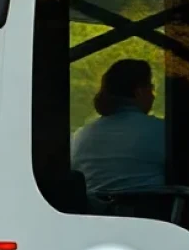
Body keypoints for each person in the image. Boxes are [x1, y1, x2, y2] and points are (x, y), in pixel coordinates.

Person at [70, 59, 166, 197]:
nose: (153, 96)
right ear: (139, 92)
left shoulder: (81, 136)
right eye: (151, 88)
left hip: (94, 215)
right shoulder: (162, 132)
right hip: (150, 216)